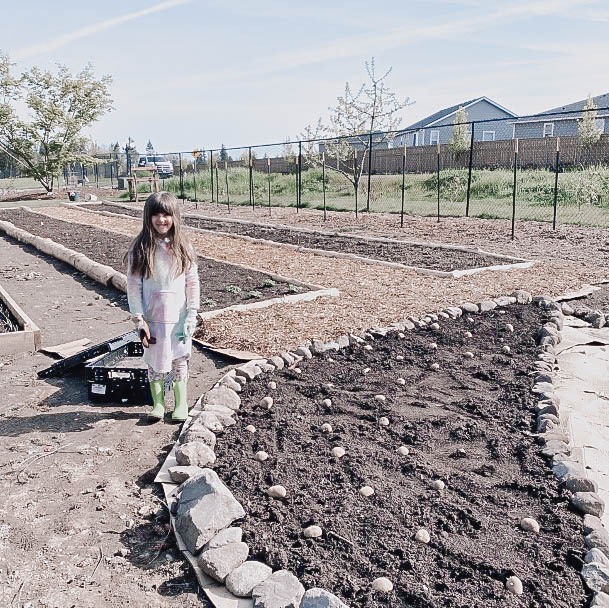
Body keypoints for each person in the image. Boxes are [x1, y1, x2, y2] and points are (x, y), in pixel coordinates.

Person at [125, 192, 200, 422]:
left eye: (166, 214)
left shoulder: (183, 247)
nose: (161, 220)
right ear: (148, 217)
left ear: (174, 216)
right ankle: (157, 404)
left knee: (179, 360)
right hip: (153, 319)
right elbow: (133, 285)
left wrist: (191, 315)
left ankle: (180, 404)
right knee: (155, 362)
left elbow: (192, 282)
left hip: (177, 319)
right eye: (155, 214)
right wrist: (139, 319)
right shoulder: (141, 249)